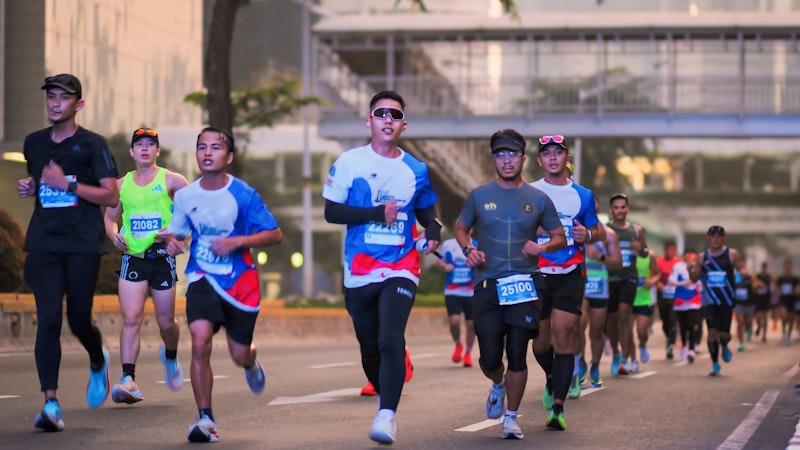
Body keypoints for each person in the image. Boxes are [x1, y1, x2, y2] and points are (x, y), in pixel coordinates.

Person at [322, 91, 442, 445]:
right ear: (369, 122)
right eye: (380, 113)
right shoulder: (348, 162)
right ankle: (383, 385)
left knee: (391, 337)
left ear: (403, 125)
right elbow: (332, 212)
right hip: (359, 267)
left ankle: (387, 415)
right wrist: (376, 213)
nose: (387, 119)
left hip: (401, 265)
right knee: (369, 345)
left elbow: (427, 215)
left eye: (394, 114)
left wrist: (433, 233)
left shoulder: (417, 169)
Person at [161, 127, 282, 442]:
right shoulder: (186, 196)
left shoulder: (244, 194)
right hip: (202, 275)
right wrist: (173, 244)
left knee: (239, 354)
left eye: (215, 147)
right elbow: (177, 234)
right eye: (202, 147)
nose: (207, 152)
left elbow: (274, 234)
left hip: (240, 282)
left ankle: (251, 363)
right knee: (199, 340)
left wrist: (237, 242)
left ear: (228, 157)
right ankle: (206, 420)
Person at [17, 74, 119, 431]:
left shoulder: (94, 145)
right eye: (50, 97)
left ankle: (97, 359)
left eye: (63, 97)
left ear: (79, 105)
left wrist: (69, 184)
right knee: (48, 319)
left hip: (82, 243)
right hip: (44, 240)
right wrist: (30, 185)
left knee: (78, 319)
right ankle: (51, 404)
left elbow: (111, 196)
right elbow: (39, 182)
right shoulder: (34, 143)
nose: (55, 103)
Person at [456, 128, 566, 439]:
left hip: (525, 282)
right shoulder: (479, 195)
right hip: (488, 283)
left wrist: (542, 248)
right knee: (490, 357)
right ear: (494, 159)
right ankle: (498, 382)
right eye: (501, 154)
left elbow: (559, 237)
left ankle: (511, 418)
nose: (507, 160)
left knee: (518, 350)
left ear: (523, 159)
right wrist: (468, 250)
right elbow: (461, 228)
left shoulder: (538, 198)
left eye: (513, 154)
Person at [103, 127, 189, 403]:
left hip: (163, 258)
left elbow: (192, 211)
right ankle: (128, 379)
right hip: (134, 258)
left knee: (166, 322)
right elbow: (109, 216)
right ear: (131, 151)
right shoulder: (121, 184)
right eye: (139, 144)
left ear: (157, 151)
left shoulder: (173, 181)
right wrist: (113, 235)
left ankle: (171, 355)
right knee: (131, 318)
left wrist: (176, 232)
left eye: (150, 144)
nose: (144, 148)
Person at [529, 134, 601, 423]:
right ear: (539, 160)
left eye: (558, 152)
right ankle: (551, 376)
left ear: (566, 158)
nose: (553, 157)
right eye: (547, 153)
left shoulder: (582, 195)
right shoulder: (529, 192)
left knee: (564, 334)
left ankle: (558, 407)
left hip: (570, 272)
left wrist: (590, 235)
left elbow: (600, 232)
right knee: (540, 343)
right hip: (536, 273)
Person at [605, 193, 650, 376]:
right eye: (616, 207)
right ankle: (615, 352)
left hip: (629, 277)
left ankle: (625, 358)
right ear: (611, 210)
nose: (620, 210)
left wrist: (641, 249)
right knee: (611, 320)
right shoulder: (605, 230)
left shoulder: (636, 230)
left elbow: (645, 253)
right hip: (609, 279)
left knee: (624, 314)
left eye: (623, 207)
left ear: (628, 209)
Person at [689, 225, 742, 376]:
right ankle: (715, 365)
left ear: (723, 238)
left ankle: (724, 344)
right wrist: (690, 270)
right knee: (712, 332)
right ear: (708, 238)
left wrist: (745, 274)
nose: (716, 239)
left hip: (726, 300)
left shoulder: (731, 254)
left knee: (724, 334)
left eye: (719, 236)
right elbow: (694, 279)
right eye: (713, 236)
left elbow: (742, 269)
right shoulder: (702, 257)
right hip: (709, 301)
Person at [579, 221, 622, 388]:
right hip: (580, 283)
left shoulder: (608, 234)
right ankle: (580, 363)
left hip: (599, 286)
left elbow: (618, 263)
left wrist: (600, 256)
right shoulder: (573, 229)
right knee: (579, 326)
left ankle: (595, 366)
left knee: (596, 330)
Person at [438, 236, 477, 367]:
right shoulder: (448, 244)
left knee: (471, 325)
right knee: (454, 321)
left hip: (471, 291)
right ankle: (458, 345)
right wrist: (444, 265)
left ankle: (468, 354)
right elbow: (439, 261)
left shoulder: (476, 244)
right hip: (452, 290)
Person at [669, 249, 703, 363]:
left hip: (694, 300)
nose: (689, 257)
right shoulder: (678, 266)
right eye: (686, 255)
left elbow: (700, 282)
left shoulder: (698, 267)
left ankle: (692, 349)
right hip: (680, 300)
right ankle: (684, 345)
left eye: (691, 255)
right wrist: (684, 283)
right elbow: (671, 280)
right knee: (683, 326)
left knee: (692, 324)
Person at [632, 250, 660, 370]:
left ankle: (642, 345)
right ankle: (632, 360)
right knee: (627, 332)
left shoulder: (650, 255)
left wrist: (652, 282)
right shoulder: (625, 253)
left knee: (641, 331)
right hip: (627, 298)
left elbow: (658, 273)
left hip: (643, 299)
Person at [656, 240, 682, 359]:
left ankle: (670, 344)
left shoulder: (679, 263)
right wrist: (662, 287)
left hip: (674, 297)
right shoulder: (659, 262)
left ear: (675, 251)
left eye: (672, 250)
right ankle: (668, 337)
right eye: (668, 250)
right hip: (662, 296)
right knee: (665, 320)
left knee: (672, 320)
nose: (670, 252)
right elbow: (655, 277)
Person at [733, 258, 758, 352]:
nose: (740, 264)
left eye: (742, 263)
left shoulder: (750, 276)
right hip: (739, 303)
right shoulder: (736, 276)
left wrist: (748, 275)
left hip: (749, 303)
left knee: (748, 322)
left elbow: (756, 284)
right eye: (739, 263)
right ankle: (741, 343)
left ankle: (749, 329)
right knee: (740, 322)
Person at [776, 259, 799, 344]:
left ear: (791, 267)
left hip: (792, 300)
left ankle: (789, 335)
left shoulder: (795, 278)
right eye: (786, 266)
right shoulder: (781, 278)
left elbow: (798, 287)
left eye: (789, 266)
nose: (787, 268)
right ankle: (784, 333)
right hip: (783, 300)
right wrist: (779, 292)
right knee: (784, 318)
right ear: (784, 267)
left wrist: (794, 290)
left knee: (791, 319)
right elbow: (776, 287)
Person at [753, 262, 775, 342]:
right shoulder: (757, 276)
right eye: (763, 268)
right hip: (758, 299)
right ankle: (759, 326)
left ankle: (764, 336)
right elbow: (754, 284)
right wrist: (758, 284)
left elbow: (773, 286)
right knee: (758, 316)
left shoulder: (770, 277)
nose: (764, 269)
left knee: (765, 317)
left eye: (765, 268)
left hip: (766, 299)